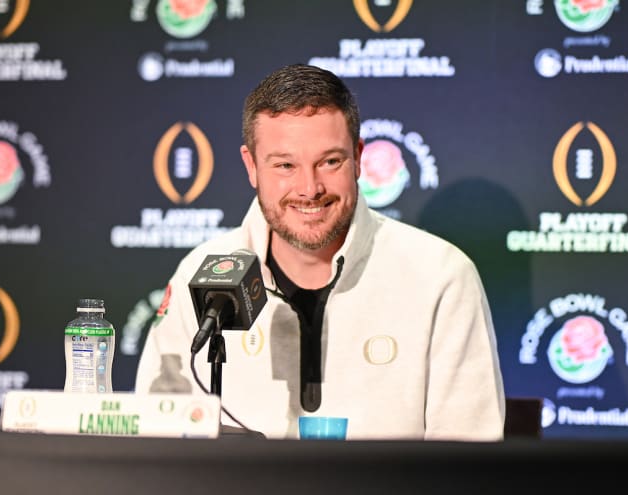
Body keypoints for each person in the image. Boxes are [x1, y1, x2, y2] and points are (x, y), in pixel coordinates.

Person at [135, 63, 505, 441]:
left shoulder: (440, 276)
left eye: (330, 162)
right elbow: (155, 434)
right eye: (284, 165)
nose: (309, 188)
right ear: (251, 166)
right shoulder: (201, 272)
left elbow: (468, 463)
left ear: (358, 157)